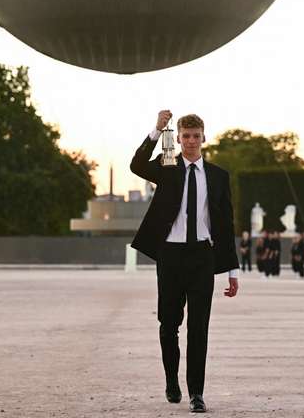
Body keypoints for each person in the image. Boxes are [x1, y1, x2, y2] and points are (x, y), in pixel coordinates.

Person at [130, 110, 239, 413]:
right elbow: (136, 165)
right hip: (170, 255)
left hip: (202, 256)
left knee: (199, 327)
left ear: (204, 137)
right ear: (177, 139)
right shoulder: (168, 167)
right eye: (186, 136)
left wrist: (232, 270)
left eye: (196, 136)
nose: (191, 141)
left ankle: (197, 393)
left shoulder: (218, 177)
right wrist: (156, 129)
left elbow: (225, 225)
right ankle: (171, 380)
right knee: (169, 323)